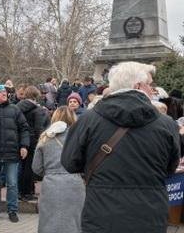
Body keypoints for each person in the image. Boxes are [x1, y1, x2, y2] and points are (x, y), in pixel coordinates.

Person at [62, 61, 180, 233]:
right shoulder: (167, 124)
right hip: (149, 215)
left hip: (101, 215)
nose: (152, 90)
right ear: (138, 86)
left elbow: (69, 162)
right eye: (150, 84)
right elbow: (170, 168)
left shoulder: (88, 120)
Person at [32, 106, 84, 233]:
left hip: (51, 185)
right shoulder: (80, 137)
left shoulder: (45, 137)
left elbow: (36, 167)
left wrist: (50, 172)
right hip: (74, 183)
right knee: (75, 220)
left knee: (49, 220)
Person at [0, 84, 30, 223]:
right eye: (0, 92)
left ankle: (12, 210)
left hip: (12, 153)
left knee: (12, 183)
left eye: (5, 91)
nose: (4, 93)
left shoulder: (14, 109)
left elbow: (24, 128)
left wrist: (24, 145)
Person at [16, 86, 49, 201]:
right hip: (32, 141)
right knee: (29, 167)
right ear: (36, 96)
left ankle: (20, 191)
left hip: (19, 140)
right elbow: (38, 129)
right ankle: (27, 192)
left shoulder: (17, 107)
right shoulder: (38, 110)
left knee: (21, 167)